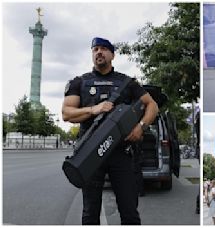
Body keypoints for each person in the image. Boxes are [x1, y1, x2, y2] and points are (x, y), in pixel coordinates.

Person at [62, 37, 159, 225]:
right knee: (90, 213)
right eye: (95, 49)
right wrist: (93, 109)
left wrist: (141, 127)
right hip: (90, 154)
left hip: (121, 153)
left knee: (129, 212)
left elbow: (152, 105)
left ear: (112, 55)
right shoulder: (80, 82)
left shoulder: (127, 82)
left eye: (104, 49)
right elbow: (67, 113)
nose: (99, 52)